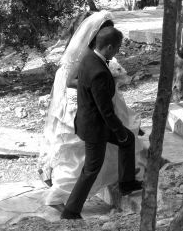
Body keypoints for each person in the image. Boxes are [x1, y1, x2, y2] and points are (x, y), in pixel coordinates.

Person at [39, 11, 143, 211]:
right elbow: (104, 109)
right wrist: (119, 129)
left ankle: (126, 183)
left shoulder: (92, 59)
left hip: (93, 117)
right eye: (117, 47)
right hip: (93, 123)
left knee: (127, 141)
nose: (118, 51)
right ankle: (70, 210)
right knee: (90, 167)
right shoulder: (91, 64)